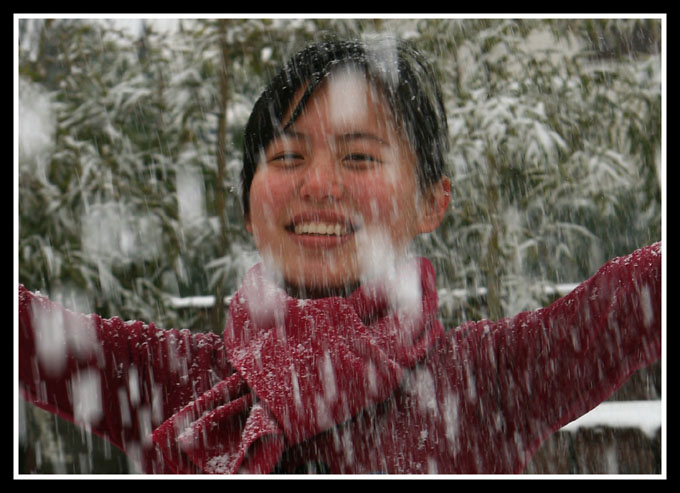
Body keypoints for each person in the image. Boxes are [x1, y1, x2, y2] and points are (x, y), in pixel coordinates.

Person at [18, 37, 662, 475]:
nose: (318, 184)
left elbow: (639, 297)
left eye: (358, 156)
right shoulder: (180, 386)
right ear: (247, 205)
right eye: (288, 155)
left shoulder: (488, 382)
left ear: (432, 202)